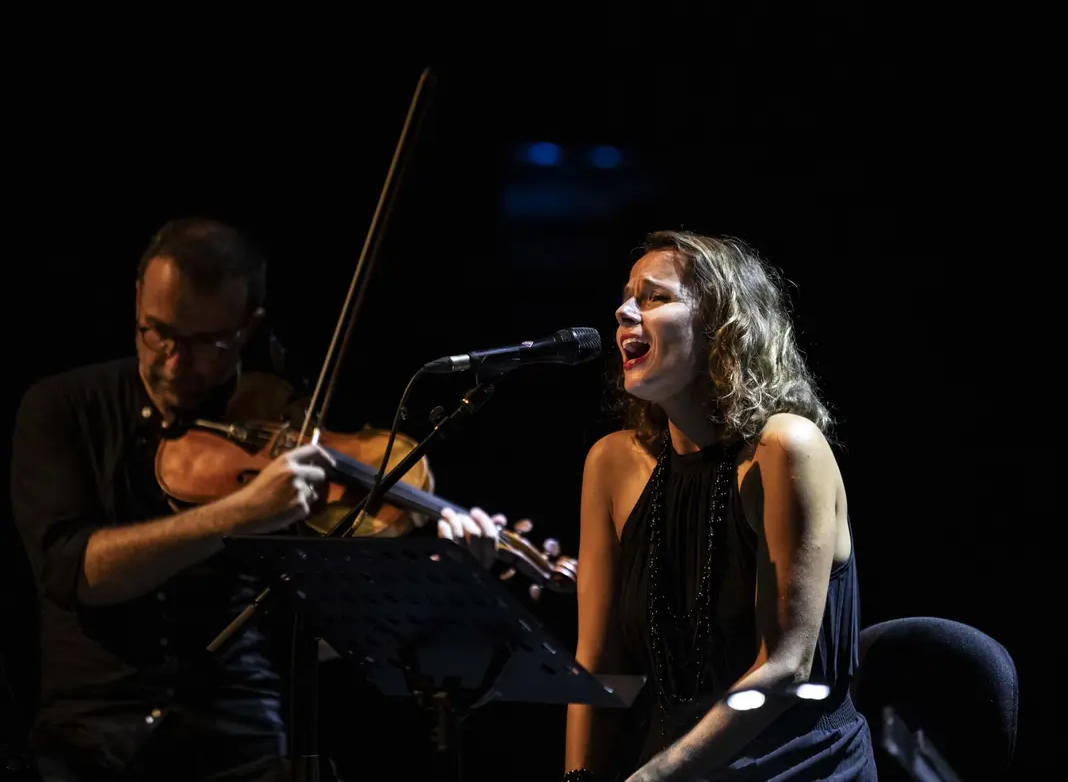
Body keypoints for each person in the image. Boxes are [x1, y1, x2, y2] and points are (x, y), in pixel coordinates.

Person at [10, 216, 500, 781]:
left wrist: (439, 582)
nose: (173, 361)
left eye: (206, 344)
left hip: (241, 739)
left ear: (248, 328)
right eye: (156, 332)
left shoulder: (285, 419)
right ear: (138, 300)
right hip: (89, 738)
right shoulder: (62, 407)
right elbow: (76, 572)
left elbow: (336, 635)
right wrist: (240, 513)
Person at [561, 230, 877, 781]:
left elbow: (786, 667)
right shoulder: (610, 464)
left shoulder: (786, 448)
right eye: (627, 296)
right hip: (664, 764)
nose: (623, 311)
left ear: (721, 327)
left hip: (795, 766)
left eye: (655, 297)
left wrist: (659, 776)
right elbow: (600, 665)